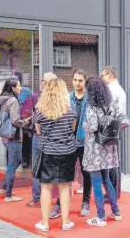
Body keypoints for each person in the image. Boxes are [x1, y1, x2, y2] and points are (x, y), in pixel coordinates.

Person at [83, 77, 129, 227]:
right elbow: (125, 121)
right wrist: (111, 130)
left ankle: (100, 217)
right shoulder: (112, 103)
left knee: (96, 181)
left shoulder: (92, 106)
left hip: (95, 149)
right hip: (109, 147)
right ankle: (116, 212)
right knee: (106, 179)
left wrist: (85, 125)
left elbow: (93, 127)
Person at [34, 78, 77, 232]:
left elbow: (38, 131)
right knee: (64, 186)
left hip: (48, 152)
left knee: (46, 187)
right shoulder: (70, 108)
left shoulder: (40, 110)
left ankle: (45, 223)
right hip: (67, 151)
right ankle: (66, 222)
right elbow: (72, 129)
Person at [50, 69, 91, 218]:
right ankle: (59, 204)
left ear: (85, 81)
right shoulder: (67, 98)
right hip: (68, 141)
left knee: (86, 173)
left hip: (85, 142)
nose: (77, 83)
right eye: (75, 80)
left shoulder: (90, 99)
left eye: (80, 80)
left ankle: (85, 202)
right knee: (65, 174)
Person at [26, 72, 57, 208]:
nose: (42, 83)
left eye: (43, 81)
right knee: (53, 167)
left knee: (37, 167)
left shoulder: (37, 97)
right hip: (55, 138)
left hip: (40, 137)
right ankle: (56, 198)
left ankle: (38, 198)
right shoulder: (61, 99)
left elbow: (31, 116)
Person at [0, 77, 27, 202]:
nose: (21, 88)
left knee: (16, 161)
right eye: (19, 86)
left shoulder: (4, 99)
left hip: (6, 135)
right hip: (14, 136)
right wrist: (24, 122)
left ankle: (4, 188)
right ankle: (9, 195)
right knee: (13, 164)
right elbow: (15, 120)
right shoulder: (13, 100)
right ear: (13, 88)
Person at [101, 66, 126, 200]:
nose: (102, 78)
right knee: (113, 161)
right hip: (115, 128)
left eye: (103, 75)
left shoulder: (112, 90)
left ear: (110, 75)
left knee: (112, 162)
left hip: (111, 129)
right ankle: (114, 192)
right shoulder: (119, 89)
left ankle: (113, 193)